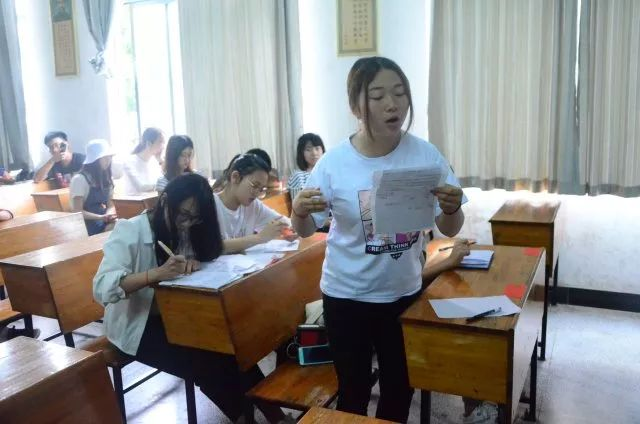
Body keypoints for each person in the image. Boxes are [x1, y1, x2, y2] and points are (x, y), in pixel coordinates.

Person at [291, 57, 468, 423]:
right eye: (378, 96)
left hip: (403, 293)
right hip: (346, 296)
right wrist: (299, 212)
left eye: (400, 93)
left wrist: (451, 208)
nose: (393, 104)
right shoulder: (334, 164)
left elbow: (450, 228)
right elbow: (306, 230)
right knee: (353, 391)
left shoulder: (425, 155)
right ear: (357, 106)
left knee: (399, 390)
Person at [93, 173, 284, 423]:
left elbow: (208, 251)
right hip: (139, 327)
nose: (186, 224)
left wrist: (192, 264)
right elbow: (102, 288)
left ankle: (276, 416)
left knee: (232, 349)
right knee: (206, 360)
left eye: (194, 218)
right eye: (183, 215)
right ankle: (244, 417)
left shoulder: (185, 228)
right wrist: (155, 274)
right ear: (164, 201)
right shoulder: (131, 230)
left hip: (177, 318)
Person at [214, 153, 297, 254]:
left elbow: (282, 222)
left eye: (261, 189)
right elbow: (212, 246)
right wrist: (259, 238)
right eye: (255, 185)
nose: (257, 194)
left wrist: (291, 229)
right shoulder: (210, 204)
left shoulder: (253, 205)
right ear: (235, 177)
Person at [69, 139, 117, 235]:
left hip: (104, 220)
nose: (108, 160)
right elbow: (77, 211)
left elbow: (110, 204)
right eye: (104, 157)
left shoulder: (107, 178)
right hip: (86, 226)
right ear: (94, 160)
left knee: (123, 225)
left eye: (109, 157)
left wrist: (109, 214)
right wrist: (100, 217)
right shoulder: (79, 180)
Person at [122, 127, 165, 194]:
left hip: (152, 199)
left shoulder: (154, 161)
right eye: (160, 142)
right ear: (149, 143)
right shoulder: (129, 161)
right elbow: (141, 187)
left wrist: (160, 161)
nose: (163, 147)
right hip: (135, 200)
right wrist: (164, 185)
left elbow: (163, 181)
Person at [287, 133, 326, 200]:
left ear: (323, 151)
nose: (314, 153)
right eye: (308, 149)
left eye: (317, 148)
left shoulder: (328, 173)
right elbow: (298, 204)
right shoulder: (298, 177)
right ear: (301, 153)